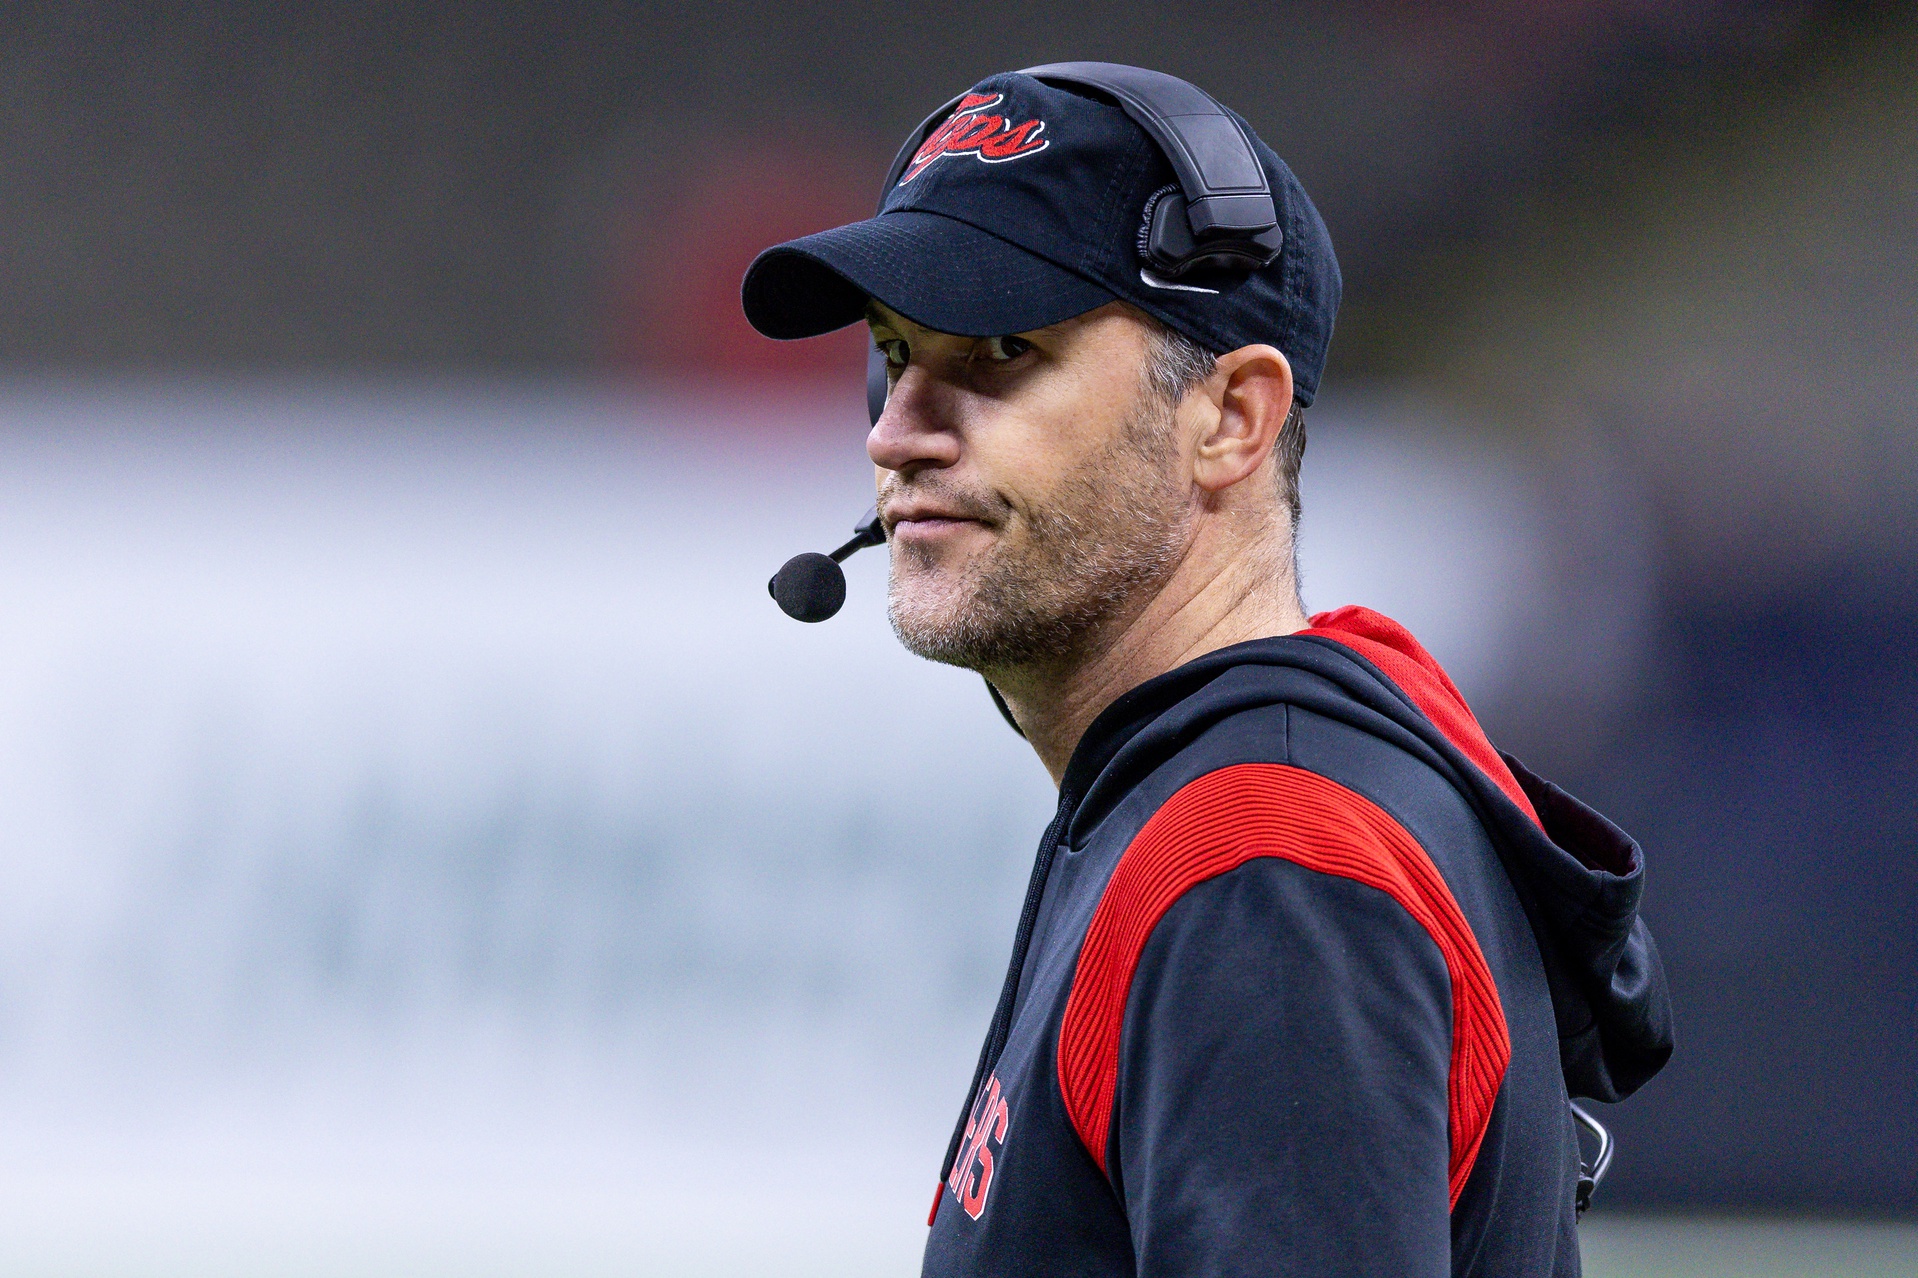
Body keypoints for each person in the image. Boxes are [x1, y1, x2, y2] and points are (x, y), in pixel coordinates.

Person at [741, 65, 1673, 1277]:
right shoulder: (1225, 797)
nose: (895, 428)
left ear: (1231, 416)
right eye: (893, 352)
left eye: (1000, 352)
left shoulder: (1260, 858)